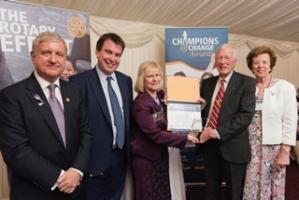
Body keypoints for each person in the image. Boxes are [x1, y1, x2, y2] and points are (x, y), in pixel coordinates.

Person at [0, 31, 92, 200]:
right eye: (46, 53)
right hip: (35, 191)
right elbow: (16, 150)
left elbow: (86, 133)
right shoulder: (11, 96)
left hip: (76, 189)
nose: (53, 59)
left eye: (59, 54)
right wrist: (60, 177)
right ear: (33, 56)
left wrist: (77, 171)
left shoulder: (76, 92)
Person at [70, 32, 133, 200]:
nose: (113, 58)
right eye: (108, 52)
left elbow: (129, 118)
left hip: (120, 158)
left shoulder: (126, 81)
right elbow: (75, 127)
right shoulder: (78, 82)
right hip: (93, 162)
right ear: (97, 52)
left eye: (117, 54)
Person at [131, 61, 199, 200]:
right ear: (142, 79)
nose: (155, 79)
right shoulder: (141, 104)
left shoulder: (161, 97)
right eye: (150, 76)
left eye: (158, 75)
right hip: (146, 159)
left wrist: (197, 104)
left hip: (160, 156)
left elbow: (180, 106)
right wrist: (185, 138)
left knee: (162, 195)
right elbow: (155, 135)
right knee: (148, 196)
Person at [198, 44, 256, 200]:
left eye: (227, 58)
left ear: (235, 61)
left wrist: (216, 132)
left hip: (233, 148)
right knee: (211, 190)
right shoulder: (207, 83)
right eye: (219, 58)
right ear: (215, 62)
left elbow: (245, 116)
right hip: (209, 147)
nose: (223, 61)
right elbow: (203, 112)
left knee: (234, 193)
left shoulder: (248, 83)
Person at [243, 46, 297, 200]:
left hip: (274, 148)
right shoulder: (246, 87)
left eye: (264, 62)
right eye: (256, 62)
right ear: (251, 66)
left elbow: (290, 120)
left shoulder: (285, 88)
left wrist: (285, 151)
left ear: (271, 64)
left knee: (273, 187)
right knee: (251, 184)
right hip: (250, 146)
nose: (260, 66)